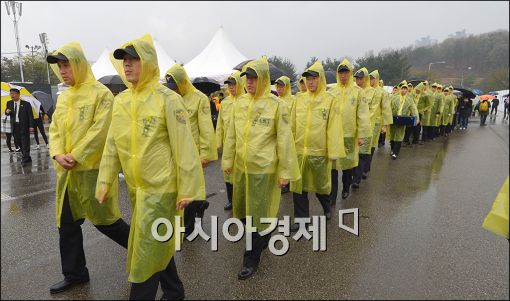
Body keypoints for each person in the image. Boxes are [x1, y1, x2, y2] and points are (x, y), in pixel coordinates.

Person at [97, 34, 205, 300]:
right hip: (138, 191)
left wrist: (188, 189)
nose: (128, 65)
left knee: (145, 254)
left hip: (162, 190)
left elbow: (184, 147)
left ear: (148, 62)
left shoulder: (167, 99)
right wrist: (104, 181)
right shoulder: (121, 101)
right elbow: (112, 146)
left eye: (134, 59)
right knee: (156, 243)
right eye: (125, 60)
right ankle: (174, 291)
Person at [46, 42, 130, 294]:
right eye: (59, 66)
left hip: (92, 173)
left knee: (108, 223)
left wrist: (76, 155)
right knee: (68, 226)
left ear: (79, 64)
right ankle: (75, 274)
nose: (62, 71)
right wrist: (58, 154)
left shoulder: (100, 94)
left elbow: (101, 130)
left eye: (66, 65)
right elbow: (55, 129)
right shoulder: (64, 97)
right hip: (67, 176)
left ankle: (146, 255)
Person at [222, 56, 300, 280]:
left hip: (264, 170)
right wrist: (227, 160)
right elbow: (231, 136)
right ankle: (265, 232)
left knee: (256, 216)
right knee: (245, 213)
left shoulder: (276, 105)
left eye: (255, 79)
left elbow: (284, 140)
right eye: (247, 78)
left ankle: (251, 258)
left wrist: (285, 171)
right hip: (242, 168)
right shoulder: (239, 104)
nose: (249, 83)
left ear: (264, 80)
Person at [290, 60, 344, 232]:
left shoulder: (330, 100)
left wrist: (333, 151)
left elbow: (334, 127)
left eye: (314, 78)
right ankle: (301, 220)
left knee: (321, 187)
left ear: (320, 79)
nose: (311, 82)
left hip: (319, 152)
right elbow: (291, 125)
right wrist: (287, 148)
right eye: (308, 79)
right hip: (299, 151)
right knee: (298, 187)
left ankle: (327, 207)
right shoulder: (299, 99)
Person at [165, 63, 217, 238]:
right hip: (175, 151)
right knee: (184, 187)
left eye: (176, 85)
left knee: (189, 187)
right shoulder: (169, 97)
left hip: (193, 151)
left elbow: (206, 128)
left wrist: (206, 154)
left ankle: (188, 227)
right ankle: (200, 205)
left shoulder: (199, 98)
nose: (175, 90)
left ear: (183, 82)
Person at [329, 59, 370, 201]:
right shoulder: (332, 92)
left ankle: (346, 188)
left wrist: (362, 135)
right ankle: (332, 194)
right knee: (332, 167)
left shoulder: (358, 92)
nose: (343, 76)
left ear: (350, 73)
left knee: (347, 166)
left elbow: (363, 114)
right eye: (341, 73)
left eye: (346, 72)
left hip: (349, 134)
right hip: (334, 136)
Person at [216, 71, 245, 211]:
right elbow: (220, 124)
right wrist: (219, 142)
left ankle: (242, 201)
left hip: (240, 143)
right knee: (227, 172)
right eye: (229, 85)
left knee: (240, 174)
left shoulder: (245, 100)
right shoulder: (225, 102)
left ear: (239, 84)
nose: (232, 87)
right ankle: (230, 200)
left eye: (234, 84)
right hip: (228, 144)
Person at [363, 70, 392, 176]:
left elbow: (386, 109)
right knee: (363, 144)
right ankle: (360, 168)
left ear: (376, 79)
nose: (370, 80)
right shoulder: (366, 90)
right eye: (369, 78)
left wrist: (384, 125)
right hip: (365, 122)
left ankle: (366, 169)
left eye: (372, 78)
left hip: (376, 122)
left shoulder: (382, 92)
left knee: (370, 145)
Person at [352, 67, 374, 186]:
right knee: (353, 154)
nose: (358, 81)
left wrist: (363, 121)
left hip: (366, 125)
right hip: (352, 127)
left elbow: (372, 110)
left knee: (362, 154)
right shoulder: (353, 90)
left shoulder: (372, 91)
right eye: (356, 79)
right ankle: (354, 175)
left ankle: (357, 180)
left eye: (360, 79)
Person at [389, 82, 419, 160]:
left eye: (405, 89)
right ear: (400, 89)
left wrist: (417, 118)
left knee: (399, 136)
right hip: (393, 119)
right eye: (402, 88)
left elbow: (414, 109)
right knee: (392, 135)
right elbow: (388, 107)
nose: (403, 90)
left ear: (407, 90)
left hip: (402, 120)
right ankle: (392, 149)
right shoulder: (394, 97)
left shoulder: (409, 100)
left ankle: (395, 153)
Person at [4, 88, 34, 163]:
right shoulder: (9, 103)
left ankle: (25, 158)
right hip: (14, 126)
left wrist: (31, 126)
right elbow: (7, 112)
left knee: (25, 142)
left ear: (18, 94)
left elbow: (30, 116)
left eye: (14, 93)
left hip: (24, 125)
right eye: (11, 93)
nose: (12, 95)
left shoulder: (26, 104)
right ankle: (27, 156)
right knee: (18, 142)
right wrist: (7, 112)